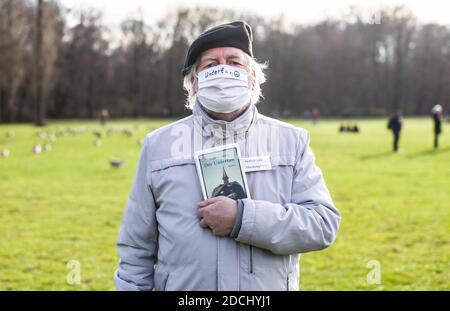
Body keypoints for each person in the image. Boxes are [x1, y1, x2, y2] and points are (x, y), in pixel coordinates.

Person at [114, 21, 340, 291]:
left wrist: (243, 218)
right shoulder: (158, 146)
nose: (223, 69)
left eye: (234, 61)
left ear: (253, 77)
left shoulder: (291, 142)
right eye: (210, 65)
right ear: (194, 83)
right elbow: (136, 249)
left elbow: (322, 224)